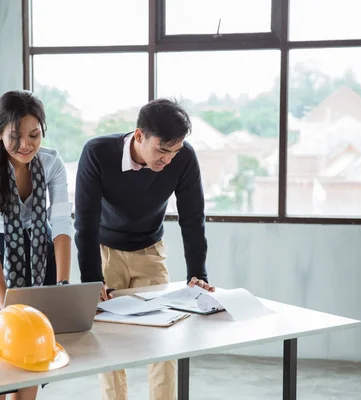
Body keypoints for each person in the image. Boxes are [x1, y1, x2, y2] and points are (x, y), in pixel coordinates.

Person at [74, 98, 214, 400]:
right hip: (105, 252)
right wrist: (90, 279)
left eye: (174, 151)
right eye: (162, 150)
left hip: (151, 251)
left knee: (164, 338)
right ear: (139, 135)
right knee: (107, 339)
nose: (168, 160)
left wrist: (197, 274)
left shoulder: (183, 157)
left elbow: (192, 217)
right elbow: (85, 222)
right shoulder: (97, 153)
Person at [0, 90, 73, 400]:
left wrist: (63, 284)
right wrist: (6, 306)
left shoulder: (51, 163)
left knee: (34, 355)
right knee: (1, 360)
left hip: (42, 253)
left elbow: (62, 223)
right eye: (15, 136)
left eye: (34, 134)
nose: (26, 144)